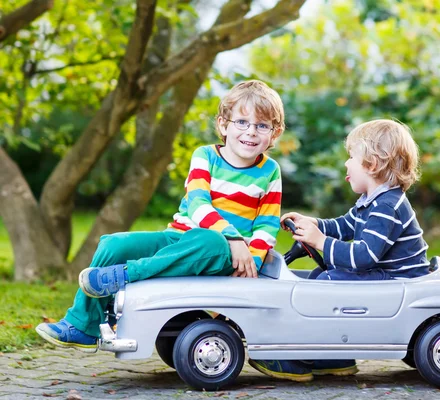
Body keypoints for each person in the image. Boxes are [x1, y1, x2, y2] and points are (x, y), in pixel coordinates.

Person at [36, 80, 284, 352]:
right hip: (178, 238)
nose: (251, 132)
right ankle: (82, 325)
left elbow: (267, 225)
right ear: (224, 124)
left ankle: (128, 275)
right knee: (113, 243)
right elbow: (198, 205)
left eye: (262, 126)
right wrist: (233, 236)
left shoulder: (270, 171)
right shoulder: (205, 156)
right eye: (242, 122)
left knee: (209, 241)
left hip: (223, 255)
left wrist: (251, 262)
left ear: (274, 134)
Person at [249, 119, 429, 382]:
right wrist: (314, 224)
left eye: (351, 157)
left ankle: (302, 358)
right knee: (316, 279)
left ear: (373, 164)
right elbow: (345, 225)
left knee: (326, 284)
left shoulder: (387, 206)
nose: (346, 163)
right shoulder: (372, 200)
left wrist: (320, 241)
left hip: (395, 279)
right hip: (385, 274)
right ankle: (333, 355)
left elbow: (364, 257)